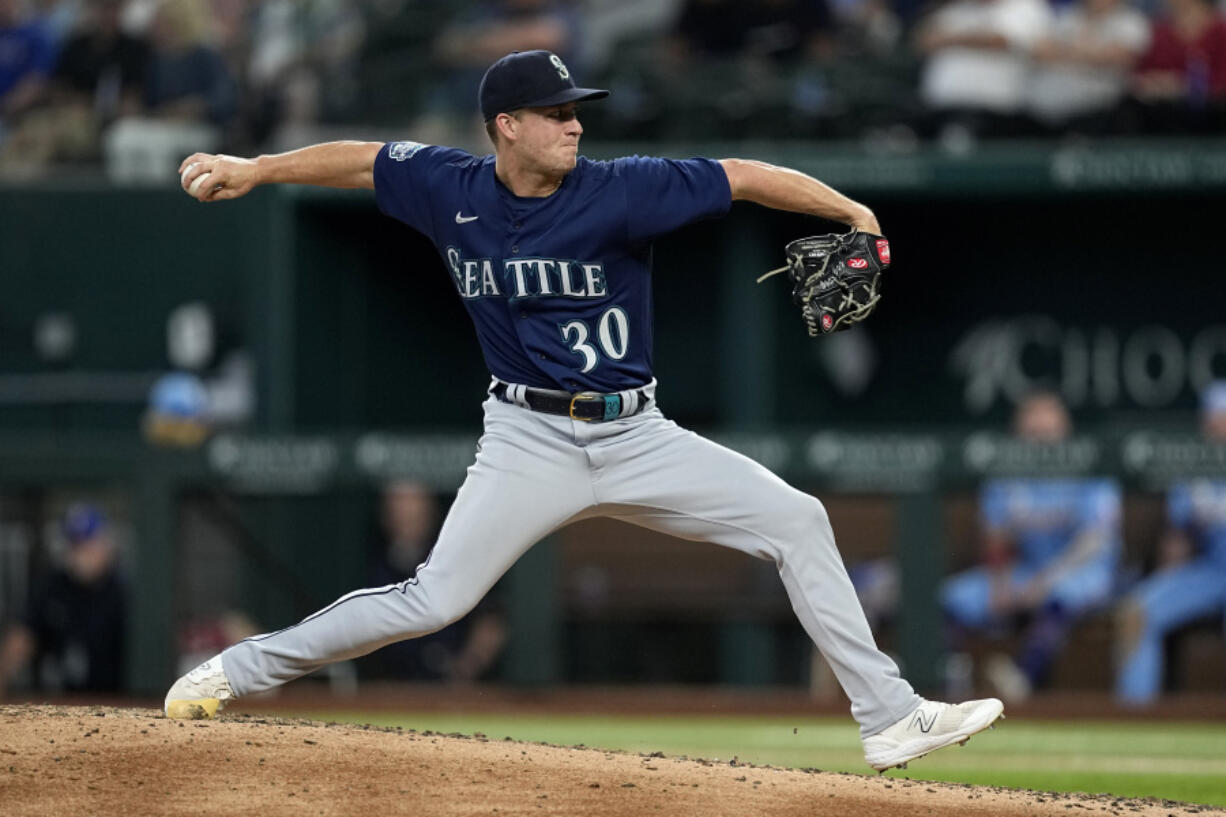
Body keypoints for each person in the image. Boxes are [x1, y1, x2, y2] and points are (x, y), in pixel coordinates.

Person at [165, 49, 1003, 773]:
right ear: (506, 126)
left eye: (576, 111)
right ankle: (235, 669)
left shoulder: (624, 190)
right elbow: (360, 160)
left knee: (798, 519)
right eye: (555, 113)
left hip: (637, 432)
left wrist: (850, 210)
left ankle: (888, 716)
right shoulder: (446, 187)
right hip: (525, 437)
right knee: (432, 601)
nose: (574, 125)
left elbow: (743, 177)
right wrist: (259, 167)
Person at [943, 391, 1122, 701]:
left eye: (1047, 432)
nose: (1039, 442)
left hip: (1084, 570)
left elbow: (1094, 542)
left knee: (1059, 595)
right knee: (955, 597)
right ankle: (950, 679)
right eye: (1032, 433)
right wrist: (999, 583)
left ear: (1064, 431)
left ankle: (1021, 679)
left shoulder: (1090, 464)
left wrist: (1045, 581)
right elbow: (996, 534)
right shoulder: (1007, 473)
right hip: (1028, 571)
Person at [1115, 382, 1226, 704]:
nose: (1217, 428)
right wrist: (1165, 578)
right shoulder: (1195, 467)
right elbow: (1178, 536)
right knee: (1135, 611)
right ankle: (1136, 721)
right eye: (1213, 420)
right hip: (1210, 572)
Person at [361, 480, 507, 682]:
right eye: (398, 514)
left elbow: (491, 623)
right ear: (386, 517)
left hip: (453, 683)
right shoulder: (378, 566)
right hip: (393, 684)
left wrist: (466, 667)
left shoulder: (455, 558)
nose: (405, 520)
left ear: (429, 513)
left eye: (413, 515)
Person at [0, 504, 127, 697]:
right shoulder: (52, 585)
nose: (82, 554)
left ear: (106, 543)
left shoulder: (124, 589)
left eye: (89, 543)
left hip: (121, 700)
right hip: (62, 698)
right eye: (76, 545)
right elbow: (23, 635)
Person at [1025, 0, 1150, 133]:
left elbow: (1115, 57)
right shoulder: (1069, 17)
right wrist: (1085, 52)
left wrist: (1063, 51)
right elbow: (1040, 51)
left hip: (1099, 114)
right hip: (1045, 114)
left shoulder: (1131, 22)